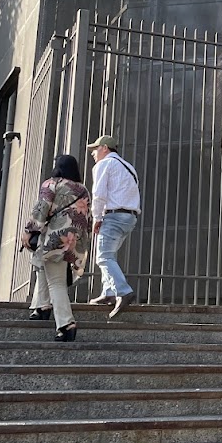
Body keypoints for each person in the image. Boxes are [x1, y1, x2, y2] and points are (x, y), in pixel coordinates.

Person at [21, 153, 91, 342]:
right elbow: (87, 218)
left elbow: (41, 209)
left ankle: (66, 324)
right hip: (74, 240)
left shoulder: (52, 184)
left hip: (54, 238)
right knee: (44, 266)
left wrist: (28, 230)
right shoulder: (83, 189)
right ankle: (41, 306)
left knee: (56, 282)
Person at [87, 134, 141, 318]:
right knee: (110, 254)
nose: (93, 153)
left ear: (105, 148)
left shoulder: (104, 164)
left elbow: (99, 194)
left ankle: (123, 291)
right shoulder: (128, 167)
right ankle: (108, 292)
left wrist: (96, 217)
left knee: (103, 256)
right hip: (129, 217)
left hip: (114, 216)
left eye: (95, 149)